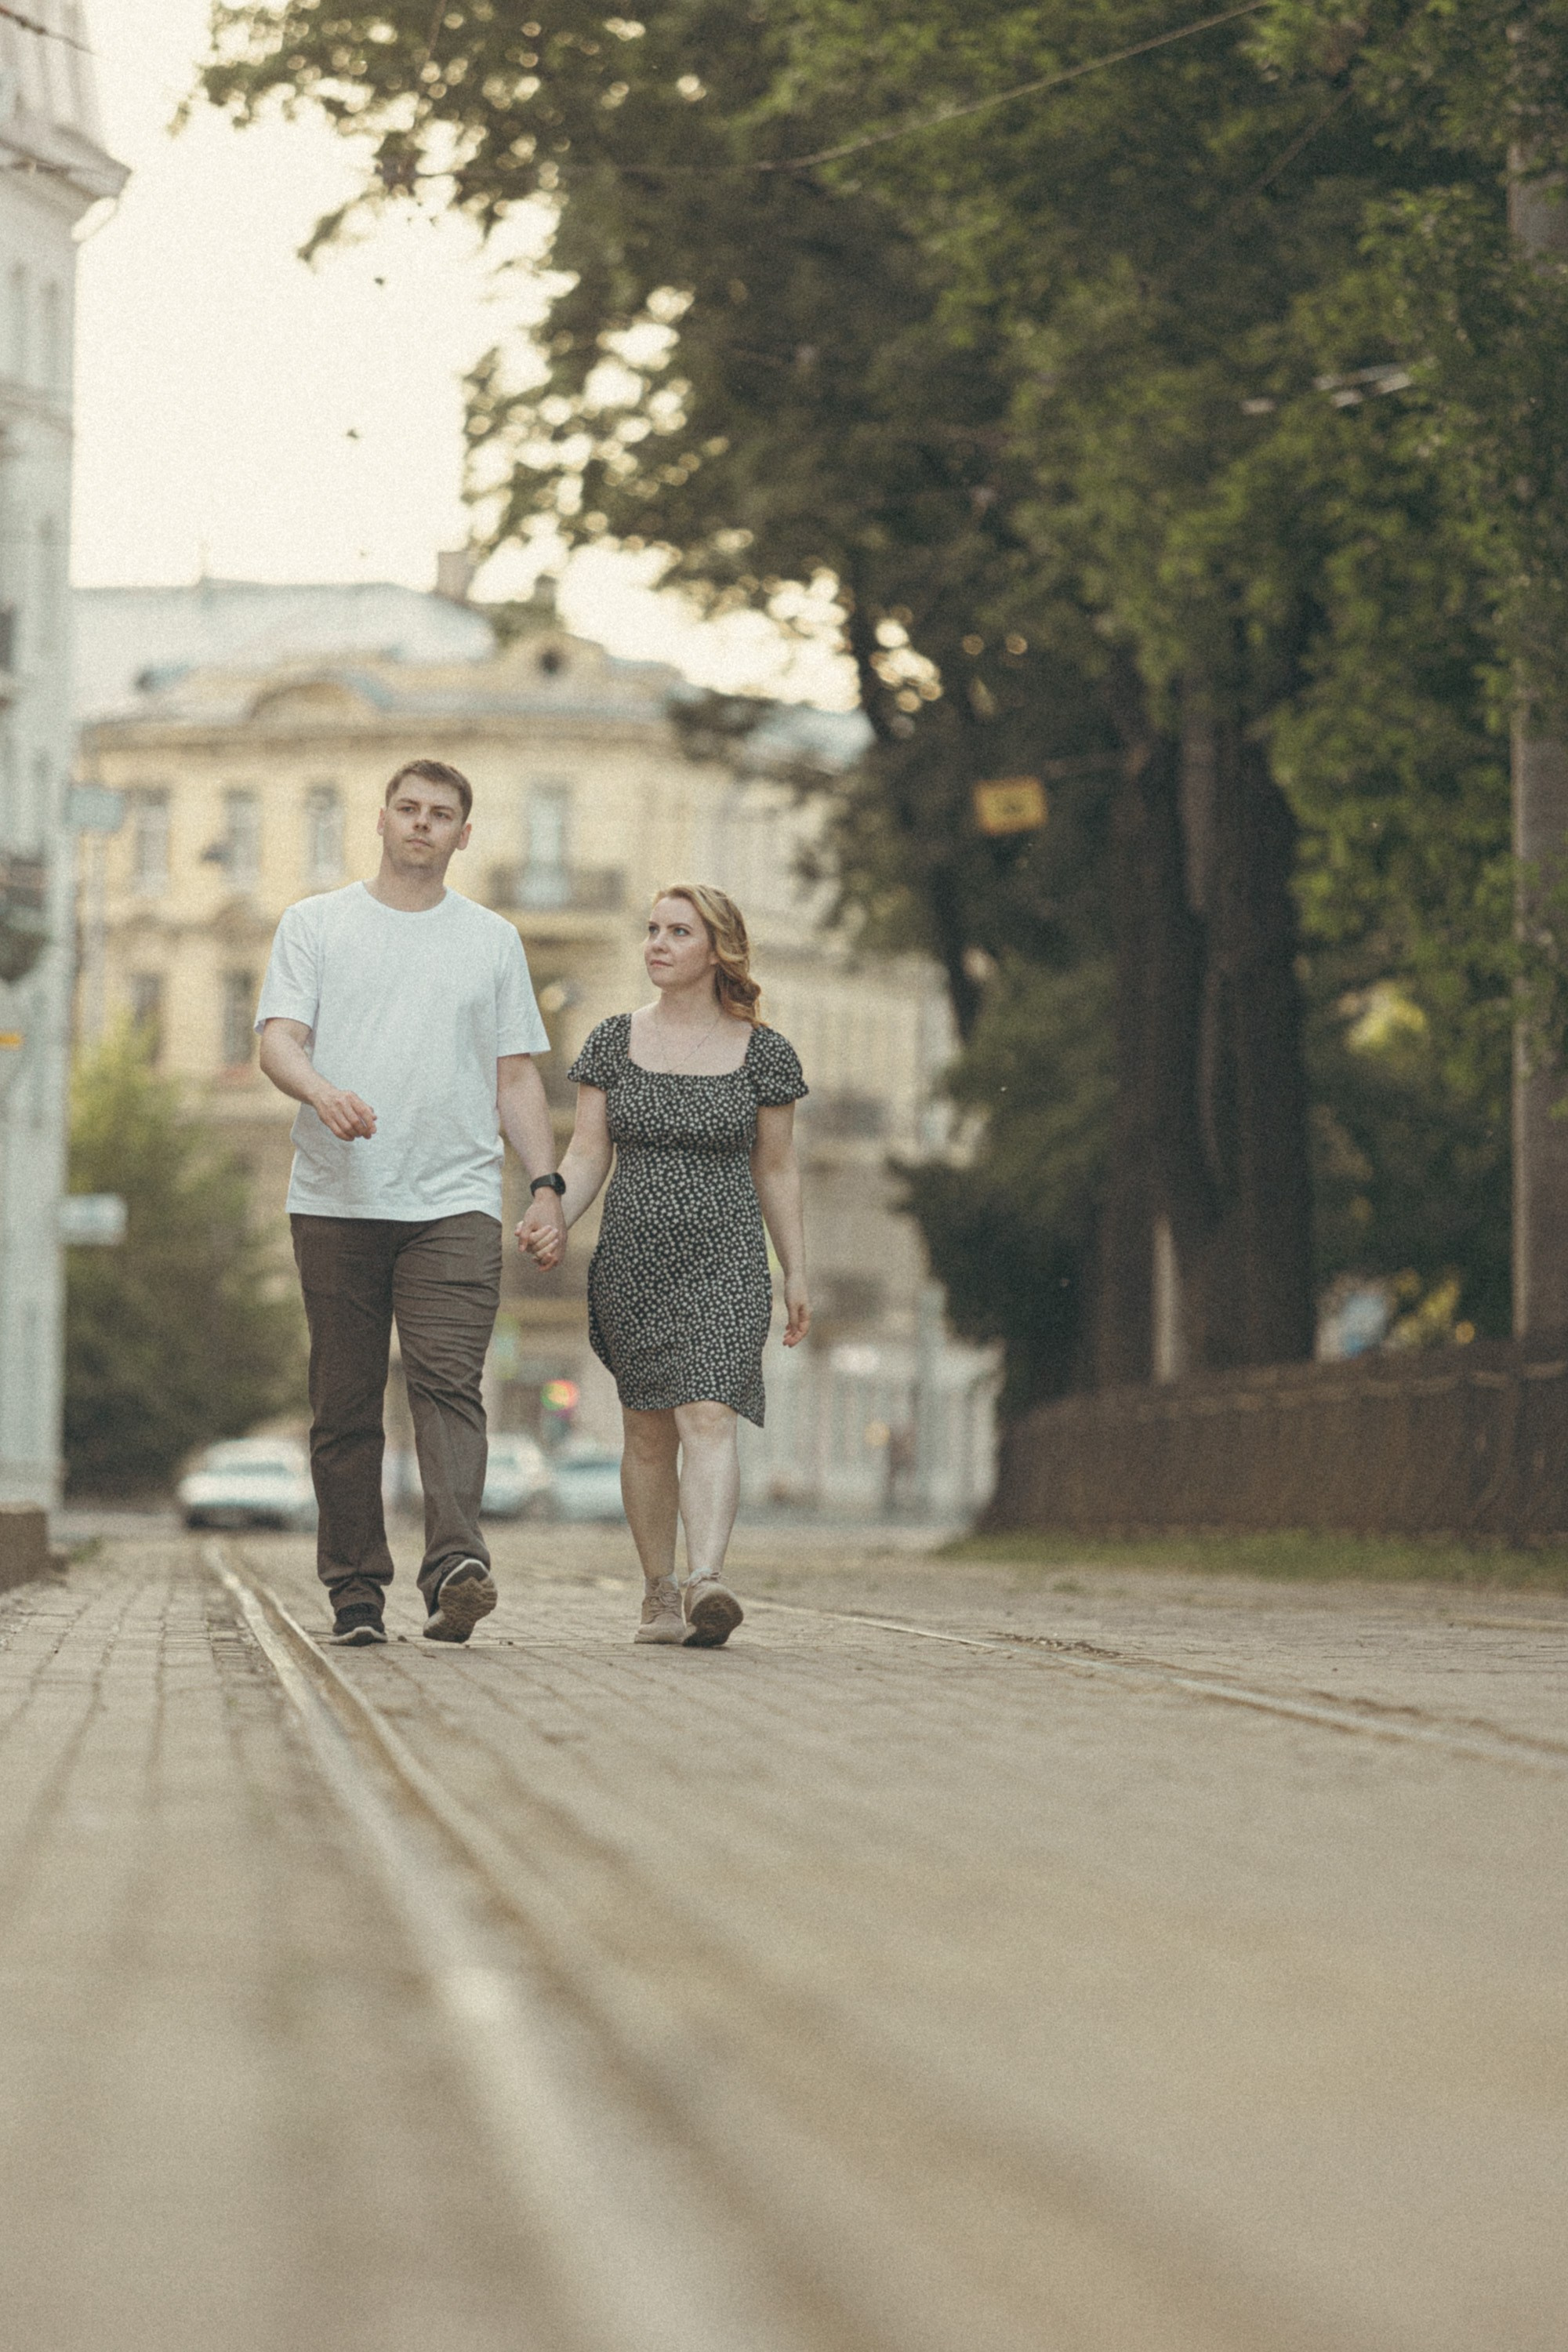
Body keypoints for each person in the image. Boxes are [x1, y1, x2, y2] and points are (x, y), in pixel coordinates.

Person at [256, 757, 566, 1646]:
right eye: (408, 809)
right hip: (335, 1196)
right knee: (346, 1403)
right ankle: (356, 1592)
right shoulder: (315, 924)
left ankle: (456, 1568)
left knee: (447, 1384)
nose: (422, 824)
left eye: (440, 815)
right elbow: (279, 1038)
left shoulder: (491, 940)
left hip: (454, 1197)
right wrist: (319, 1092)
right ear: (382, 820)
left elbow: (514, 1077)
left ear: (463, 835)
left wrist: (543, 1186)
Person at [517, 884, 809, 1648]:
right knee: (648, 1433)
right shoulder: (613, 1043)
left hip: (728, 1258)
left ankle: (706, 1580)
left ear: (716, 950)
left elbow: (776, 1170)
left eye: (676, 932)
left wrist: (796, 1271)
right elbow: (586, 1152)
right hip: (633, 1260)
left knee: (709, 1411)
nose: (656, 943)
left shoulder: (764, 1054)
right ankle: (658, 1593)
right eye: (650, 930)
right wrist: (553, 1211)